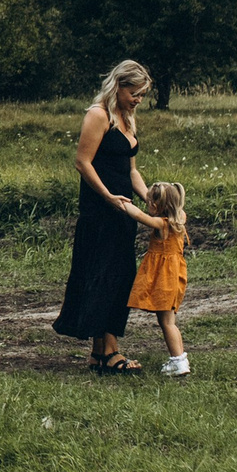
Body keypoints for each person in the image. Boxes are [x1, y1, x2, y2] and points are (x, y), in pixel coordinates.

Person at [55, 58, 172, 374]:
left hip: (124, 210)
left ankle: (100, 354)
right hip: (100, 211)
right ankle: (110, 353)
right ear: (118, 86)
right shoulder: (99, 115)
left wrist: (150, 197)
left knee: (118, 279)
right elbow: (82, 162)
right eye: (135, 93)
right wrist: (107, 195)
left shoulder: (128, 118)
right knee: (102, 277)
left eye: (143, 95)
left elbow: (130, 169)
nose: (139, 100)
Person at [129, 181, 190, 378]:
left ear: (155, 206)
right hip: (176, 276)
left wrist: (121, 202)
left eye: (148, 202)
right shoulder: (180, 217)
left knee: (166, 323)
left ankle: (178, 360)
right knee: (170, 321)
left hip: (165, 279)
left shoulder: (161, 225)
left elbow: (139, 216)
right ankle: (180, 359)